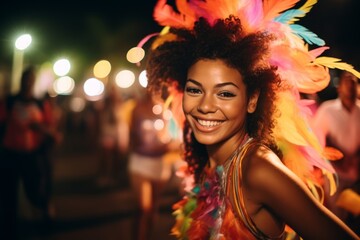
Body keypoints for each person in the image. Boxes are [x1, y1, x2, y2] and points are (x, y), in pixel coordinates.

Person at [138, 0, 360, 239]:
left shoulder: (258, 169)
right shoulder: (209, 159)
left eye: (225, 93)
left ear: (252, 100)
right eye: (195, 90)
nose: (205, 106)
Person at [0, 65, 60, 239]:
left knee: (34, 191)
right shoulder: (10, 101)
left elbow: (51, 129)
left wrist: (40, 128)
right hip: (10, 153)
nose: (27, 83)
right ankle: (9, 230)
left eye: (30, 80)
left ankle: (44, 214)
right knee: (8, 196)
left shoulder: (41, 104)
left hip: (32, 154)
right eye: (25, 79)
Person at [121, 89, 179, 240]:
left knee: (152, 209)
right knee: (143, 208)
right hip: (140, 162)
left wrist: (170, 144)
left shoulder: (168, 111)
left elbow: (173, 136)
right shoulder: (138, 108)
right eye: (153, 89)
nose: (156, 92)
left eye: (159, 89)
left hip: (160, 165)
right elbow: (133, 136)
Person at [312, 70, 360, 222]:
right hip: (334, 176)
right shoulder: (327, 110)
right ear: (339, 88)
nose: (351, 87)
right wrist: (335, 156)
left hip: (356, 177)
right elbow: (314, 141)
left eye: (354, 83)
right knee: (337, 220)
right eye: (347, 83)